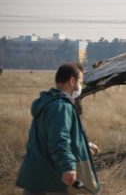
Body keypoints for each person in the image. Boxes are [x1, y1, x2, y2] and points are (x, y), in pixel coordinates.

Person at [16, 63, 100, 194]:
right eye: (80, 82)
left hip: (37, 176)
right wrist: (68, 168)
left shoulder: (48, 102)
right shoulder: (61, 106)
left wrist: (83, 145)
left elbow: (49, 137)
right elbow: (59, 140)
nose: (80, 87)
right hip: (52, 180)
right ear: (72, 81)